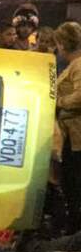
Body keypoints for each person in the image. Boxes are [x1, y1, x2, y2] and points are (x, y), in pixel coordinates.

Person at [55, 22, 81, 233]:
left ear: (63, 44)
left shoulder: (78, 65)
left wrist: (58, 101)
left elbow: (79, 97)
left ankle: (74, 228)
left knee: (73, 182)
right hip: (72, 135)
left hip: (76, 135)